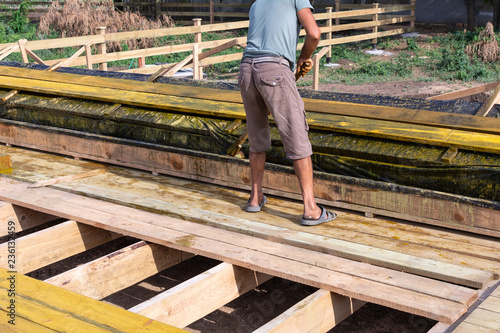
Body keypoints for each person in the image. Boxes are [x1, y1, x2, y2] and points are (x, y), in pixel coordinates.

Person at [238, 0, 337, 226]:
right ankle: (311, 209)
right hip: (273, 68)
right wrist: (303, 57)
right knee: (296, 135)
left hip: (246, 70)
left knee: (256, 136)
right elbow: (313, 34)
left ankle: (255, 198)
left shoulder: (257, 3)